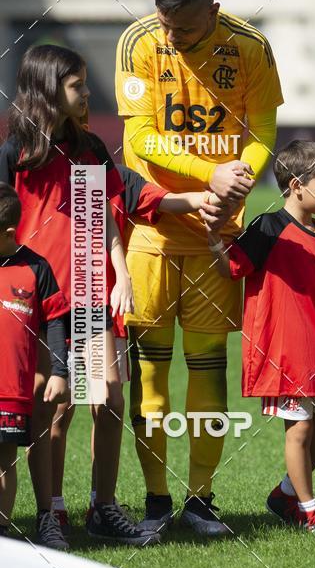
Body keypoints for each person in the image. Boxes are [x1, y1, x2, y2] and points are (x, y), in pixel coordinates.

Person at [115, 0, 284, 537]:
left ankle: (202, 499)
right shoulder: (139, 42)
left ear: (212, 12)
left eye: (184, 29)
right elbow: (138, 137)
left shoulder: (250, 47)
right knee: (152, 376)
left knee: (209, 368)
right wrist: (209, 173)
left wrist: (240, 178)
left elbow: (262, 128)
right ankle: (157, 501)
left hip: (217, 236)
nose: (172, 37)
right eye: (166, 24)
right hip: (153, 232)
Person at [0, 44, 158, 547]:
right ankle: (51, 513)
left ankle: (102, 508)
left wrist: (121, 272)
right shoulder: (12, 156)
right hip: (37, 302)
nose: (88, 92)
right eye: (77, 84)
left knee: (108, 399)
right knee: (51, 406)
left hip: (90, 293)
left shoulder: (90, 148)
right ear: (49, 89)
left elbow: (108, 211)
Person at [49, 164, 218, 534]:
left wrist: (207, 195)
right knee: (59, 411)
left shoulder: (103, 170)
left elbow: (158, 200)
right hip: (53, 305)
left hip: (96, 309)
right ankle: (53, 508)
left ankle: (99, 507)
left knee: (102, 404)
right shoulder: (39, 169)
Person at [205, 140, 315, 532]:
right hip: (284, 352)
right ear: (296, 185)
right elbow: (232, 268)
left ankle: (285, 493)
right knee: (301, 428)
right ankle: (309, 510)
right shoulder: (268, 227)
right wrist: (211, 238)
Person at [0, 183, 70, 546]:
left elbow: (57, 321)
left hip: (11, 391)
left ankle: (4, 536)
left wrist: (60, 371)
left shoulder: (36, 268)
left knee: (3, 461)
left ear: (9, 234)